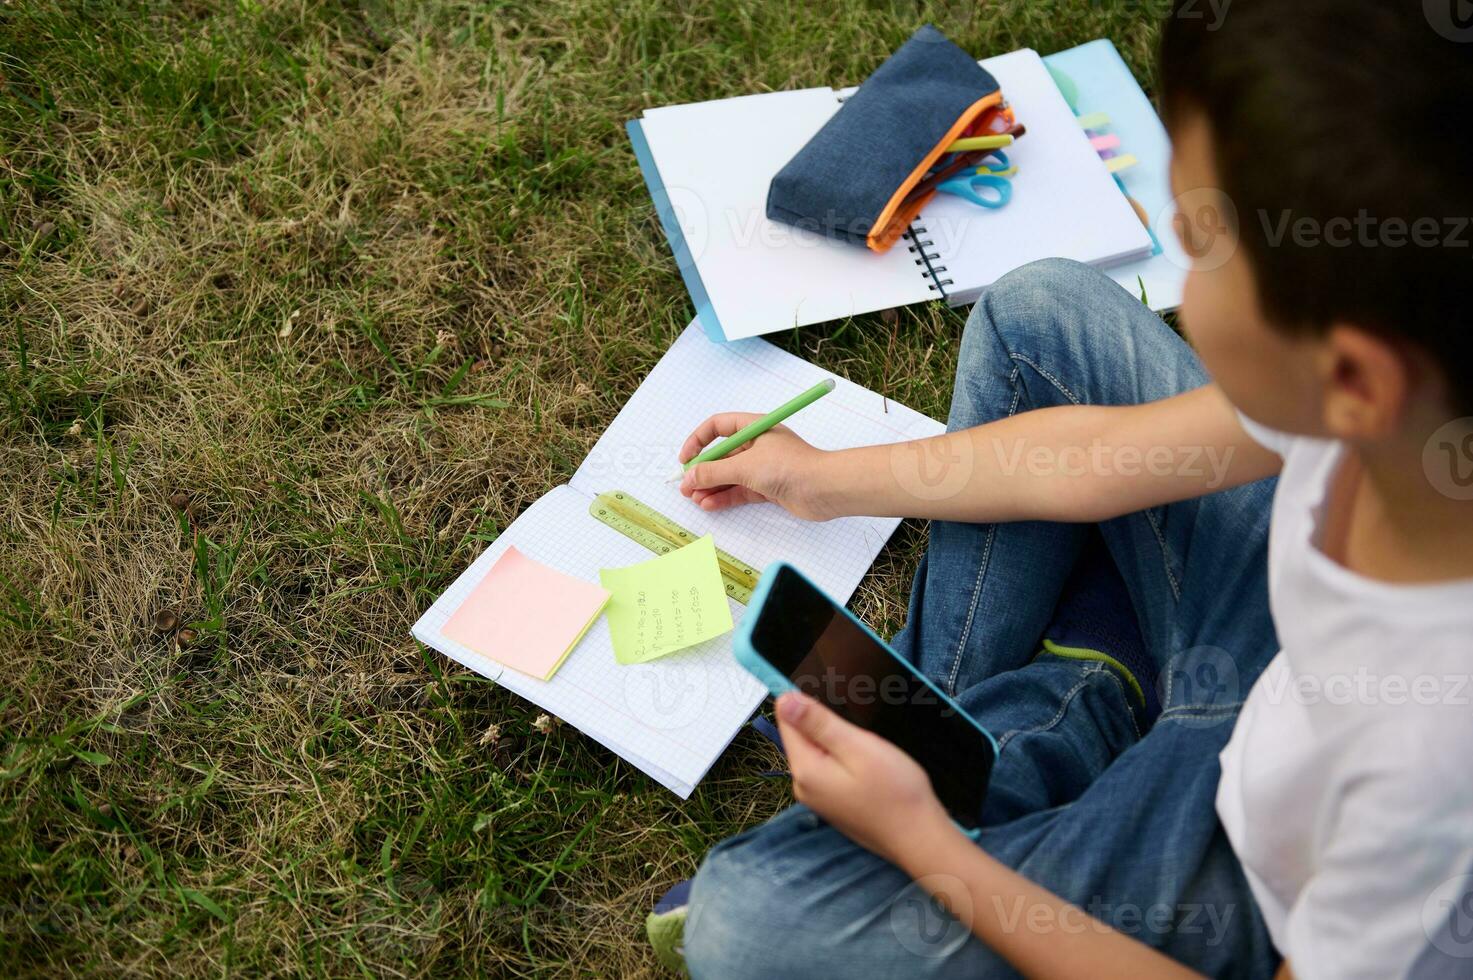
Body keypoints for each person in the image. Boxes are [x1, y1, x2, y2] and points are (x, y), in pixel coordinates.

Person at [646, 1, 1473, 977]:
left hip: (1257, 877)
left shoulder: (1432, 767)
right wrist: (823, 480)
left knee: (750, 925)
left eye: (1204, 246)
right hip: (1272, 667)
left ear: (1353, 380)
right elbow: (1097, 456)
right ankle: (982, 736)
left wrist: (925, 846)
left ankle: (1023, 741)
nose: (1178, 265)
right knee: (1038, 315)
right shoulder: (1402, 388)